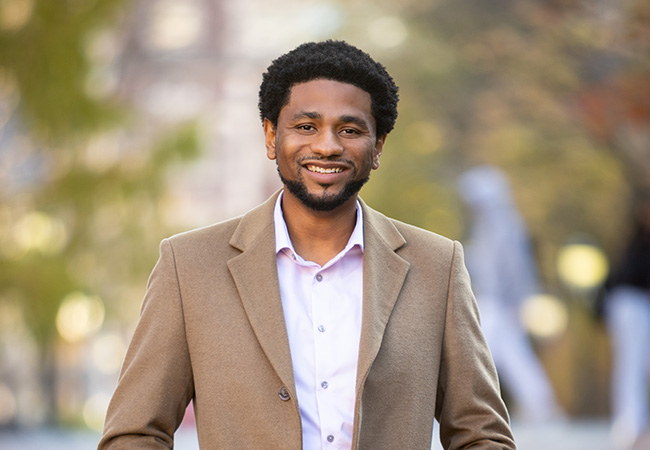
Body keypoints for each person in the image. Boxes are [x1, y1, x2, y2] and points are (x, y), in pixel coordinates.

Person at [98, 40, 515, 450]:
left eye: (350, 130)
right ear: (270, 136)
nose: (327, 145)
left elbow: (481, 435)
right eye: (306, 126)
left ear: (378, 147)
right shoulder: (188, 267)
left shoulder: (437, 267)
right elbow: (134, 434)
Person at [457, 166, 563, 423]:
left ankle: (463, 409)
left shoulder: (504, 225)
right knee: (512, 358)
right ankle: (541, 405)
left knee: (476, 354)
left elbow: (516, 268)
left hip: (499, 303)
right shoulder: (491, 224)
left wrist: (518, 301)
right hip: (494, 302)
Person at [600, 201, 650, 450]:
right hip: (630, 304)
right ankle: (629, 424)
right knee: (630, 364)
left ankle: (633, 425)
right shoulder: (635, 242)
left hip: (634, 304)